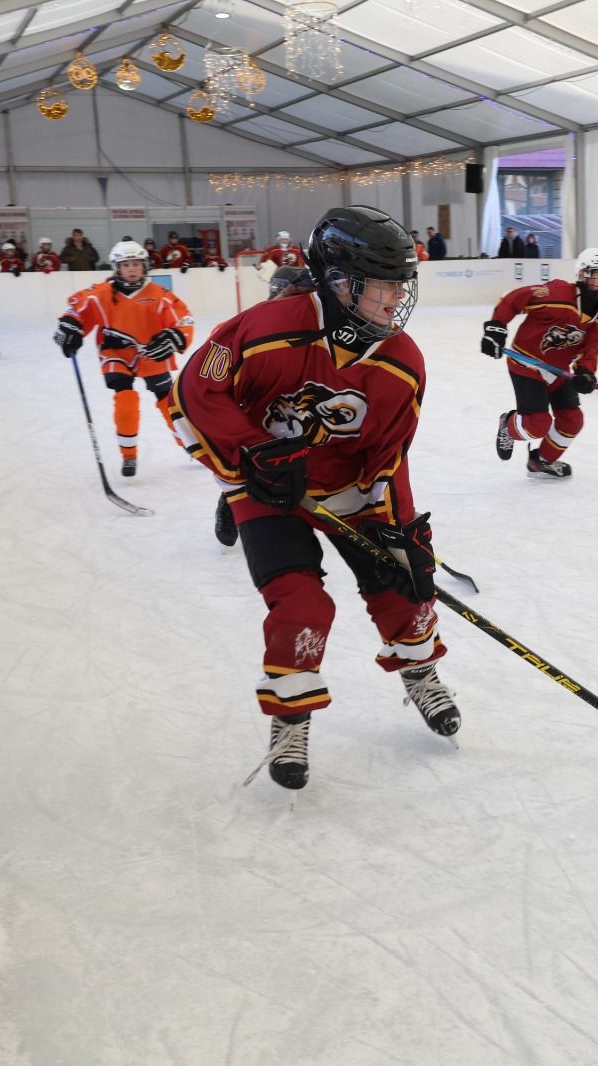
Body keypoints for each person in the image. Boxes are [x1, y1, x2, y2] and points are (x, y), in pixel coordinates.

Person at [169, 206, 458, 791]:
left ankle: (419, 671)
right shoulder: (266, 328)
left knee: (404, 592)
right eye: (378, 286)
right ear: (337, 281)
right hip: (268, 491)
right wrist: (252, 451)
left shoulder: (403, 363)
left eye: (399, 286)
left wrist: (405, 533)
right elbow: (196, 391)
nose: (392, 300)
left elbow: (390, 454)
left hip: (350, 493)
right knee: (303, 610)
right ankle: (290, 717)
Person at [54, 241, 194, 479]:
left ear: (145, 266)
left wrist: (176, 337)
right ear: (117, 267)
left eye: (137, 264)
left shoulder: (158, 295)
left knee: (168, 401)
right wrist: (70, 327)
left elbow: (184, 319)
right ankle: (128, 454)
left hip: (151, 353)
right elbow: (78, 306)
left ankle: (194, 447)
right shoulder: (103, 293)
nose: (132, 269)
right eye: (126, 264)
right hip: (115, 353)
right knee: (125, 398)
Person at [481, 248, 598, 480]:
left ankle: (540, 460)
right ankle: (508, 424)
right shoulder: (558, 294)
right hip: (527, 363)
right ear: (583, 274)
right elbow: (515, 298)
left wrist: (586, 373)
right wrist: (496, 327)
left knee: (572, 420)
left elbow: (591, 351)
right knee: (537, 424)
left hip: (558, 371)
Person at [211, 263, 317, 550]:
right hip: (259, 419)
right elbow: (211, 387)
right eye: (296, 295)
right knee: (250, 468)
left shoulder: (317, 330)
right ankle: (231, 500)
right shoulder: (245, 328)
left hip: (300, 414)